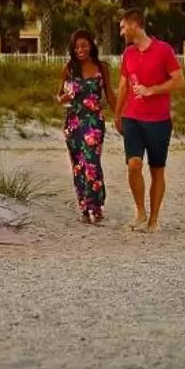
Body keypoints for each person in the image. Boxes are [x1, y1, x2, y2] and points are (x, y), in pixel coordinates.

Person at [113, 7, 185, 232]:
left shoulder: (163, 50)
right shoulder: (128, 54)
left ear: (135, 25)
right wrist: (117, 114)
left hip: (158, 121)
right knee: (133, 165)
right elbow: (123, 86)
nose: (121, 32)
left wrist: (152, 90)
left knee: (157, 170)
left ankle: (153, 219)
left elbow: (179, 81)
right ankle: (140, 212)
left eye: (123, 27)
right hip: (132, 117)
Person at [56, 28, 111, 225]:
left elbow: (110, 95)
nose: (80, 50)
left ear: (91, 46)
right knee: (78, 166)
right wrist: (65, 97)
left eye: (84, 46)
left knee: (92, 162)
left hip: (94, 122)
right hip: (73, 123)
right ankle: (85, 208)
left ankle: (96, 206)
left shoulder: (101, 67)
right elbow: (58, 97)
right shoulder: (69, 68)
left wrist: (121, 117)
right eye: (77, 47)